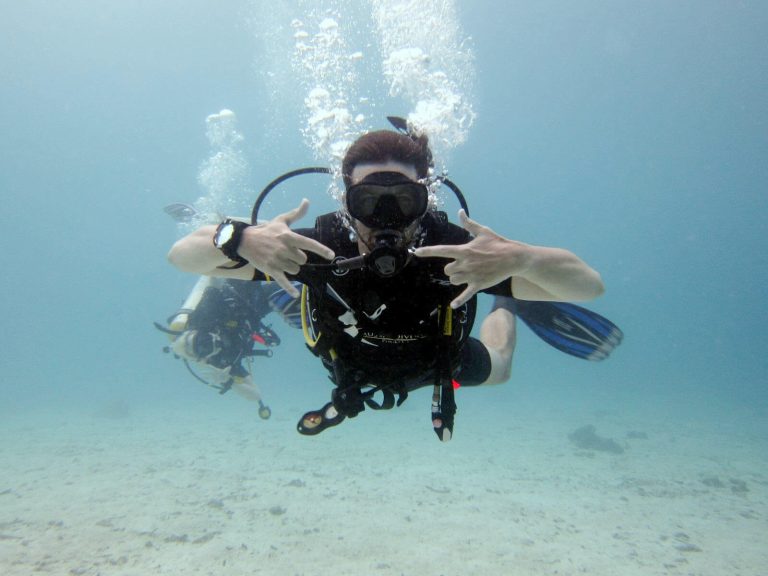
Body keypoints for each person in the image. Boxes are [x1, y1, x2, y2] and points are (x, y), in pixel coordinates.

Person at [168, 127, 612, 441]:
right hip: (351, 368)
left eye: (403, 200)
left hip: (440, 363)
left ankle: (509, 303)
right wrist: (239, 236)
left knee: (502, 367)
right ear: (346, 202)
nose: (385, 219)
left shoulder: (459, 253)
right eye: (367, 201)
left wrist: (524, 258)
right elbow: (183, 256)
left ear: (425, 200)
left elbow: (588, 285)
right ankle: (514, 291)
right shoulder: (316, 249)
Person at [156, 275, 301, 420]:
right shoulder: (221, 362)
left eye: (202, 340)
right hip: (259, 304)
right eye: (204, 349)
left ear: (198, 331)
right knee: (297, 293)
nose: (209, 344)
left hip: (240, 285)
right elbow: (256, 395)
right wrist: (230, 382)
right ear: (203, 358)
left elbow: (213, 277)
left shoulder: (203, 316)